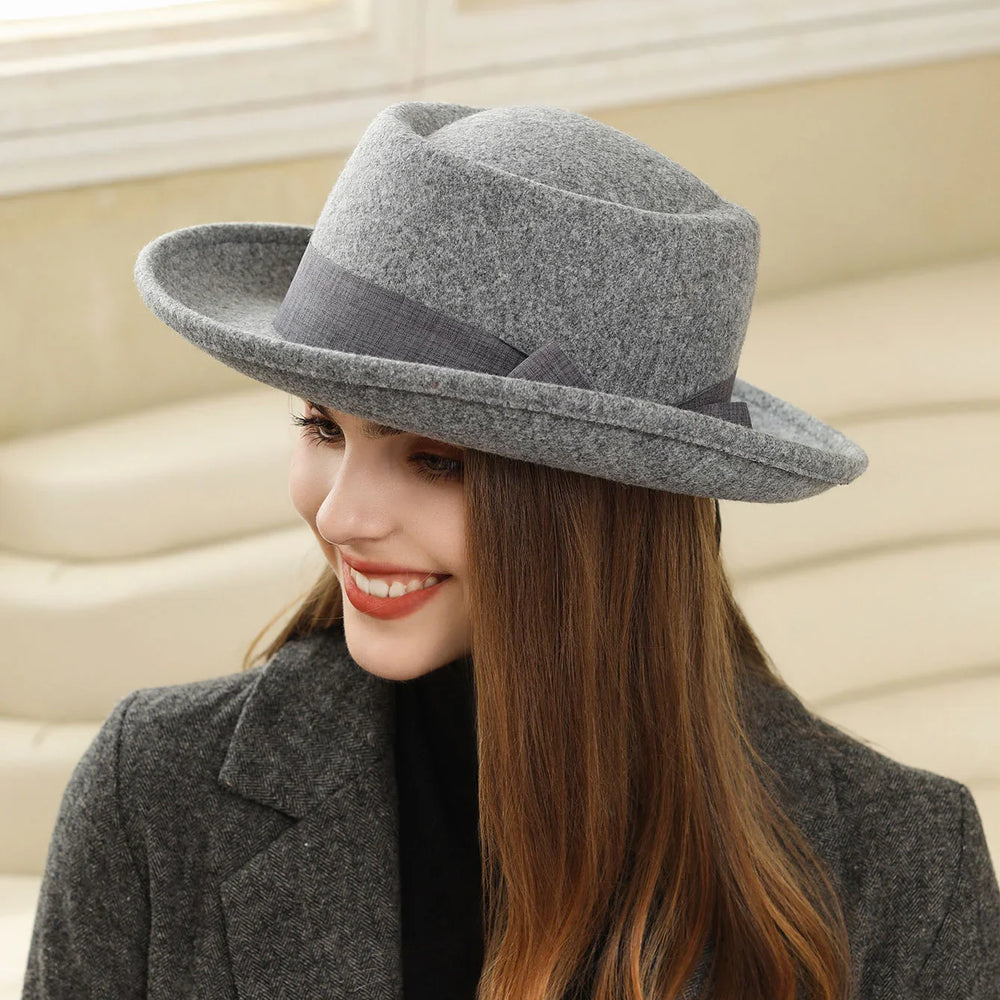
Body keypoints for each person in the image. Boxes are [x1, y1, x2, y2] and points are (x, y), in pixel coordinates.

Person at [21, 101, 999, 1000]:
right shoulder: (156, 789)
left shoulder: (904, 860)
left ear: (602, 507)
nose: (342, 516)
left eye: (435, 460)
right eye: (323, 429)